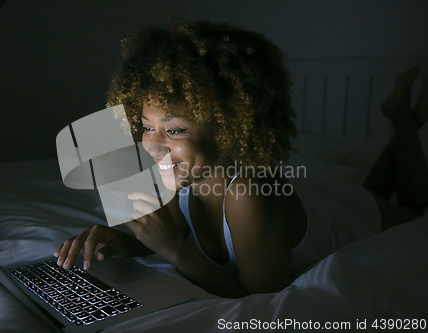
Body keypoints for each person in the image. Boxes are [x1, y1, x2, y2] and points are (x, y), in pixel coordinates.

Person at [54, 21, 428, 298]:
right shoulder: (183, 181)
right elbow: (168, 233)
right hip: (335, 204)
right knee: (373, 190)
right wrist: (118, 240)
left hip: (357, 220)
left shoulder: (249, 193)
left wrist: (172, 249)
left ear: (229, 129)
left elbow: (260, 297)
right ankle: (400, 117)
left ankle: (401, 119)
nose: (153, 146)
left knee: (412, 210)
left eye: (176, 130)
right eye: (146, 127)